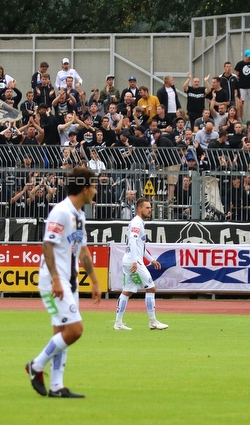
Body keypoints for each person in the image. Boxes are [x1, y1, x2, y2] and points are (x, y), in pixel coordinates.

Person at [25, 166, 100, 399]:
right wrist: (56, 279)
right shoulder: (61, 212)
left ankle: (56, 386)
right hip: (53, 281)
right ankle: (36, 365)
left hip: (69, 280)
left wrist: (95, 280)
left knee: (61, 332)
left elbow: (82, 249)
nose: (96, 191)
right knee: (75, 330)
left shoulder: (79, 215)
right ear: (85, 188)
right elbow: (47, 244)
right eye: (94, 186)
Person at [114, 198, 169, 331]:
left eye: (150, 207)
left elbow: (140, 246)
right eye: (147, 208)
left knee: (127, 291)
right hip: (134, 261)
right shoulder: (136, 223)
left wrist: (151, 260)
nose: (150, 210)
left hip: (128, 260)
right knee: (151, 288)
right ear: (139, 209)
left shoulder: (138, 223)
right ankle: (153, 321)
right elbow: (132, 241)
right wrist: (134, 260)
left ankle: (118, 323)